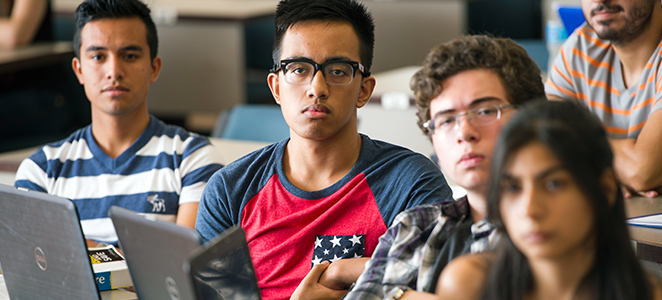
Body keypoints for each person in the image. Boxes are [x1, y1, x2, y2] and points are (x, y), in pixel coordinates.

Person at [194, 0, 452, 299]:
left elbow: (436, 285)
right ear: (276, 87)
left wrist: (342, 272)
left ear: (364, 90)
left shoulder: (408, 183)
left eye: (338, 71)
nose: (317, 88)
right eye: (299, 69)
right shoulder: (231, 190)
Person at [342, 35, 545, 300]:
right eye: (446, 120)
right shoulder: (415, 227)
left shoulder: (559, 226)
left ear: (531, 118)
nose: (464, 132)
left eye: (484, 111)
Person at [14, 0, 224, 246]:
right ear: (79, 70)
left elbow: (184, 262)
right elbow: (32, 262)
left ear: (154, 68)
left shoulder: (193, 158)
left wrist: (77, 248)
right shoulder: (40, 170)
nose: (114, 70)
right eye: (98, 56)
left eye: (130, 55)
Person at [436, 100, 662, 300]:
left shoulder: (648, 294)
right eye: (513, 188)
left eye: (553, 184)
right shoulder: (468, 286)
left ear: (605, 190)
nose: (530, 210)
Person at [545, 0, 662, 198]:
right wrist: (603, 171)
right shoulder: (581, 47)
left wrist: (580, 150)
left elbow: (641, 171)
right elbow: (543, 138)